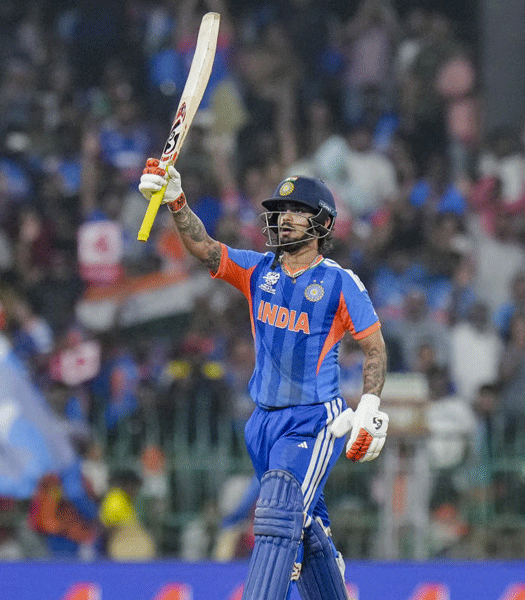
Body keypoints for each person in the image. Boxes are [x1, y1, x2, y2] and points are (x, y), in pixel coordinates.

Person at [139, 160, 389, 599]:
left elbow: (374, 348)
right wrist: (177, 200)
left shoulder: (339, 282)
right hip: (262, 424)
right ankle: (326, 562)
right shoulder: (260, 270)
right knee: (306, 533)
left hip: (314, 421)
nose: (283, 218)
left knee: (276, 516)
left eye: (296, 210)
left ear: (323, 222)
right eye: (279, 210)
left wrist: (368, 405)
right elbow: (204, 247)